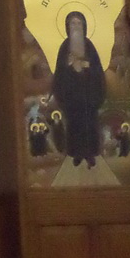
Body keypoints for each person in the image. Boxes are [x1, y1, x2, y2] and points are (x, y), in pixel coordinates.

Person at [51, 10, 107, 168]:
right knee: (75, 126)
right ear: (67, 26)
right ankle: (76, 154)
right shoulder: (64, 47)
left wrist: (85, 65)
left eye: (79, 23)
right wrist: (69, 65)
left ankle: (90, 154)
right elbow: (59, 72)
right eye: (73, 23)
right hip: (72, 96)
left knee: (90, 126)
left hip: (88, 95)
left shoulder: (89, 46)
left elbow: (97, 70)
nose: (76, 26)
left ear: (84, 26)